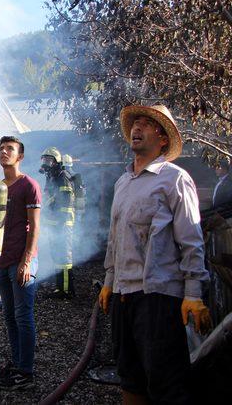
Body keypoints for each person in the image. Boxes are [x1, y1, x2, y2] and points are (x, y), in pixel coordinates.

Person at [98, 104, 212, 404]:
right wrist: (110, 280)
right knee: (130, 378)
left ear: (163, 139)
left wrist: (194, 294)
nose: (137, 128)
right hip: (124, 295)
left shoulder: (174, 179)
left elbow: (191, 241)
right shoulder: (123, 183)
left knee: (166, 384)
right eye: (136, 122)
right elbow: (115, 238)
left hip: (158, 298)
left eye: (148, 124)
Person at [0, 136, 41, 391]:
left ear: (20, 157)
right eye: (1, 148)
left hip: (22, 260)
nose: (3, 152)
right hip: (2, 260)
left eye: (9, 149)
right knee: (10, 315)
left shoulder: (29, 185)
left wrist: (26, 261)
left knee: (23, 316)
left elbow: (34, 227)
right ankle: (16, 364)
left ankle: (26, 372)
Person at [39, 147, 76, 298]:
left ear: (56, 162)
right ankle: (60, 288)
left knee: (64, 259)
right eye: (44, 160)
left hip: (62, 224)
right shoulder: (52, 177)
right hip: (54, 224)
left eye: (49, 160)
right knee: (56, 256)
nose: (46, 163)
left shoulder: (62, 176)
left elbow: (66, 201)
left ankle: (67, 291)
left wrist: (60, 224)